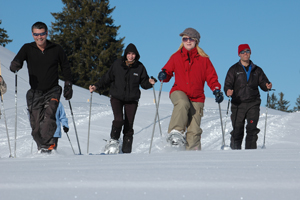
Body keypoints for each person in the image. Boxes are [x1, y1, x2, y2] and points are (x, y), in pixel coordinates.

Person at [10, 21, 73, 153]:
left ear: (47, 33)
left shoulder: (56, 49)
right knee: (36, 127)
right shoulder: (27, 48)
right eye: (36, 34)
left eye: (42, 34)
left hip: (53, 90)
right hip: (35, 93)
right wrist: (15, 65)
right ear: (32, 35)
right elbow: (18, 60)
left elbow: (66, 67)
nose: (40, 37)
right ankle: (43, 146)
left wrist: (68, 84)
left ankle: (48, 146)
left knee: (50, 115)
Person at [158, 27, 223, 150]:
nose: (188, 41)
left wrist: (216, 90)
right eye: (185, 38)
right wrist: (164, 74)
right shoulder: (176, 57)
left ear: (196, 41)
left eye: (191, 39)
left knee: (194, 131)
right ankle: (175, 132)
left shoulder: (204, 60)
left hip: (197, 97)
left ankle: (192, 156)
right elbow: (167, 71)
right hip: (179, 91)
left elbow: (212, 77)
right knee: (182, 103)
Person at [89, 43, 155, 154]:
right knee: (119, 119)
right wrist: (96, 86)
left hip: (132, 99)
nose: (131, 56)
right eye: (129, 53)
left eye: (133, 54)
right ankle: (113, 140)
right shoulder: (117, 64)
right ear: (125, 54)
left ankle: (126, 152)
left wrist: (150, 82)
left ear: (136, 55)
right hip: (117, 97)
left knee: (129, 126)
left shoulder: (139, 67)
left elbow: (144, 83)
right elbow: (107, 78)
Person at [224, 44, 272, 150]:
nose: (245, 53)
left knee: (252, 129)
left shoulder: (257, 70)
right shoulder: (233, 69)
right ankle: (235, 154)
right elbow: (228, 84)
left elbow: (264, 83)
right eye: (242, 52)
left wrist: (267, 85)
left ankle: (250, 156)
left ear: (250, 53)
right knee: (237, 130)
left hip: (253, 103)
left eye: (247, 51)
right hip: (238, 104)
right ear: (239, 54)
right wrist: (228, 90)